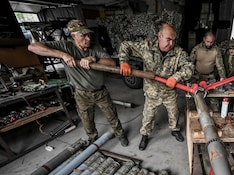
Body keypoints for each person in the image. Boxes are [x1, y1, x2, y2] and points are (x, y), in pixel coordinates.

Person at [27, 19, 129, 147]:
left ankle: (120, 135)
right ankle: (93, 140)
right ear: (73, 36)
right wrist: (63, 55)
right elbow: (32, 47)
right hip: (81, 94)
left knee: (112, 115)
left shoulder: (95, 47)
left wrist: (93, 59)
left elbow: (111, 64)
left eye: (88, 35)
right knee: (87, 120)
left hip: (100, 91)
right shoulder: (66, 46)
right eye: (83, 35)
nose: (88, 39)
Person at [118, 22, 194, 151]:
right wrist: (124, 61)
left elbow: (189, 67)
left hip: (169, 92)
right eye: (168, 39)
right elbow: (125, 45)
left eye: (173, 40)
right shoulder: (146, 47)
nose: (171, 44)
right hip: (152, 92)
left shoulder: (178, 53)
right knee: (148, 116)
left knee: (174, 113)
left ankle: (174, 130)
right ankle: (145, 135)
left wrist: (176, 77)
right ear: (159, 35)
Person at [190, 31, 225, 111]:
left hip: (210, 77)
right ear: (204, 39)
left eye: (211, 42)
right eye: (207, 41)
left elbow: (220, 66)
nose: (209, 44)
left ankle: (216, 114)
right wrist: (189, 76)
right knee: (193, 96)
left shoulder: (216, 50)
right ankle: (192, 113)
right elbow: (190, 63)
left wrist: (222, 78)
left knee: (214, 97)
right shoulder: (197, 49)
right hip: (197, 76)